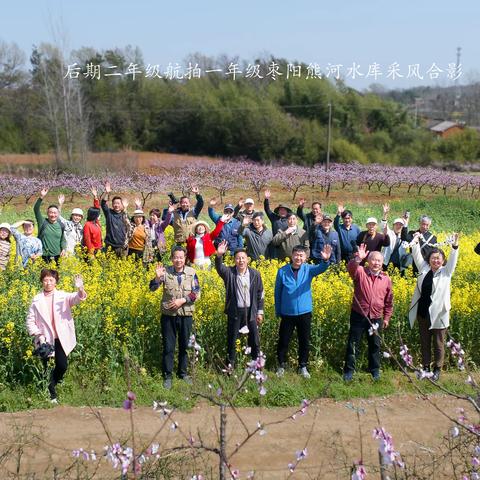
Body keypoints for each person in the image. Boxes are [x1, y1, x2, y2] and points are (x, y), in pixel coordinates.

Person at [26, 269, 87, 402]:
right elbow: (30, 320)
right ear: (42, 281)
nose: (48, 283)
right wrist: (39, 335)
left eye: (51, 280)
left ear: (56, 282)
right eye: (45, 280)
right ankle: (51, 395)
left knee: (62, 365)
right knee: (46, 367)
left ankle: (53, 383)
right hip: (44, 339)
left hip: (60, 337)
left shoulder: (63, 296)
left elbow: (77, 298)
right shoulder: (36, 299)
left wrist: (80, 289)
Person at [275, 244, 332, 379]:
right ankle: (281, 365)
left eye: (301, 255)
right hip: (287, 313)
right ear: (292, 256)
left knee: (304, 340)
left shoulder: (309, 270)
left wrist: (325, 260)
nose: (298, 258)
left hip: (305, 313)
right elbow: (277, 293)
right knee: (283, 340)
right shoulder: (282, 271)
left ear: (305, 258)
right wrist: (278, 311)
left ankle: (303, 366)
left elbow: (321, 268)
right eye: (296, 255)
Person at [408, 233, 459, 381]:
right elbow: (416, 254)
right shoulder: (424, 269)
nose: (436, 260)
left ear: (443, 261)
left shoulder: (446, 272)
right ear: (429, 260)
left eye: (438, 258)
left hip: (439, 314)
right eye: (433, 258)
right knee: (424, 342)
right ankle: (425, 368)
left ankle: (437, 369)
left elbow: (453, 260)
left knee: (438, 343)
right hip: (423, 313)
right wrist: (416, 240)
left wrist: (454, 246)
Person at [149, 246, 201, 389]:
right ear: (172, 259)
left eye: (181, 257)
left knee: (185, 346)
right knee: (168, 347)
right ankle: (167, 375)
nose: (178, 260)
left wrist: (182, 300)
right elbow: (152, 288)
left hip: (186, 315)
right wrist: (156, 278)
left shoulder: (191, 272)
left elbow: (196, 292)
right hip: (168, 316)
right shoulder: (165, 272)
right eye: (176, 257)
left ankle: (183, 373)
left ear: (185, 258)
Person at [343, 244, 393, 381]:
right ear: (368, 261)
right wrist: (358, 259)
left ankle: (375, 370)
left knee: (375, 344)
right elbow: (351, 269)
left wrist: (387, 317)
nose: (376, 263)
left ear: (382, 263)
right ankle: (349, 371)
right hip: (359, 315)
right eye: (373, 260)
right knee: (353, 343)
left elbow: (389, 301)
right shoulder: (360, 272)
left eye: (379, 261)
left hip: (376, 317)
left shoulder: (386, 279)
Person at [215, 240, 264, 369]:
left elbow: (260, 293)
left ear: (247, 259)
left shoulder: (255, 274)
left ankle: (256, 366)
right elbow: (219, 268)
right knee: (232, 340)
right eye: (238, 258)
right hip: (235, 311)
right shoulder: (229, 273)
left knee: (254, 340)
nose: (241, 261)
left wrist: (260, 311)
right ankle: (230, 366)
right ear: (234, 260)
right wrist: (219, 256)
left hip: (251, 311)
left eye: (243, 258)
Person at [101, 181, 132, 258]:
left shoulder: (125, 214)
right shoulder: (109, 213)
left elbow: (130, 225)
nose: (116, 205)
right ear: (112, 204)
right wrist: (106, 192)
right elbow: (103, 204)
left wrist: (125, 208)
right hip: (110, 245)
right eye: (115, 203)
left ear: (122, 205)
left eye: (118, 203)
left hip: (122, 245)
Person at [34, 188, 66, 264]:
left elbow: (63, 239)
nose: (53, 215)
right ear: (47, 213)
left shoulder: (60, 224)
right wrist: (41, 197)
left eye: (55, 213)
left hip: (57, 256)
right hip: (43, 256)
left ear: (58, 214)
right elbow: (36, 209)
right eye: (51, 212)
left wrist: (63, 249)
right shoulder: (42, 222)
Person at [82, 187, 102, 257]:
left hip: (99, 250)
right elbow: (87, 240)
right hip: (92, 251)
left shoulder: (96, 223)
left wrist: (95, 197)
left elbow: (97, 208)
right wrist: (91, 252)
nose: (100, 215)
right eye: (98, 214)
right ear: (94, 215)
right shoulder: (88, 225)